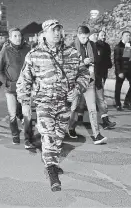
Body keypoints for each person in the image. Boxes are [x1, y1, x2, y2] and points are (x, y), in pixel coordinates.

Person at [17, 19, 90, 192]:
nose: (57, 33)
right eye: (53, 30)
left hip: (64, 104)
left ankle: (52, 161)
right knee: (48, 136)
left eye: (59, 30)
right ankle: (51, 170)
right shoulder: (34, 55)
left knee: (58, 137)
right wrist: (25, 102)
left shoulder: (72, 53)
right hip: (44, 103)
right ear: (44, 34)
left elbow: (84, 73)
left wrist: (78, 88)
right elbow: (24, 81)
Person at [68, 26, 111, 142]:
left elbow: (97, 60)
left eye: (87, 37)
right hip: (77, 82)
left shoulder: (92, 44)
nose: (85, 40)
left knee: (92, 109)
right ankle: (71, 127)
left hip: (90, 80)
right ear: (78, 35)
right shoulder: (71, 47)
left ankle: (97, 135)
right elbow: (69, 65)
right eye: (83, 37)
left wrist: (91, 63)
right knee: (74, 108)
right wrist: (82, 62)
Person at [0, 28, 34, 148]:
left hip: (26, 88)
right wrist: (6, 82)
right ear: (10, 38)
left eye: (19, 35)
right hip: (11, 89)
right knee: (12, 114)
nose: (18, 38)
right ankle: (15, 135)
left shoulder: (28, 49)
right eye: (15, 36)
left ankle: (28, 139)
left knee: (27, 114)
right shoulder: (5, 51)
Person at [114, 31, 131, 111]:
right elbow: (116, 61)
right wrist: (119, 72)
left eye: (129, 36)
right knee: (118, 87)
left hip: (130, 69)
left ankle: (127, 102)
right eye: (127, 35)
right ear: (122, 37)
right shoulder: (118, 47)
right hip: (121, 69)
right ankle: (118, 104)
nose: (128, 37)